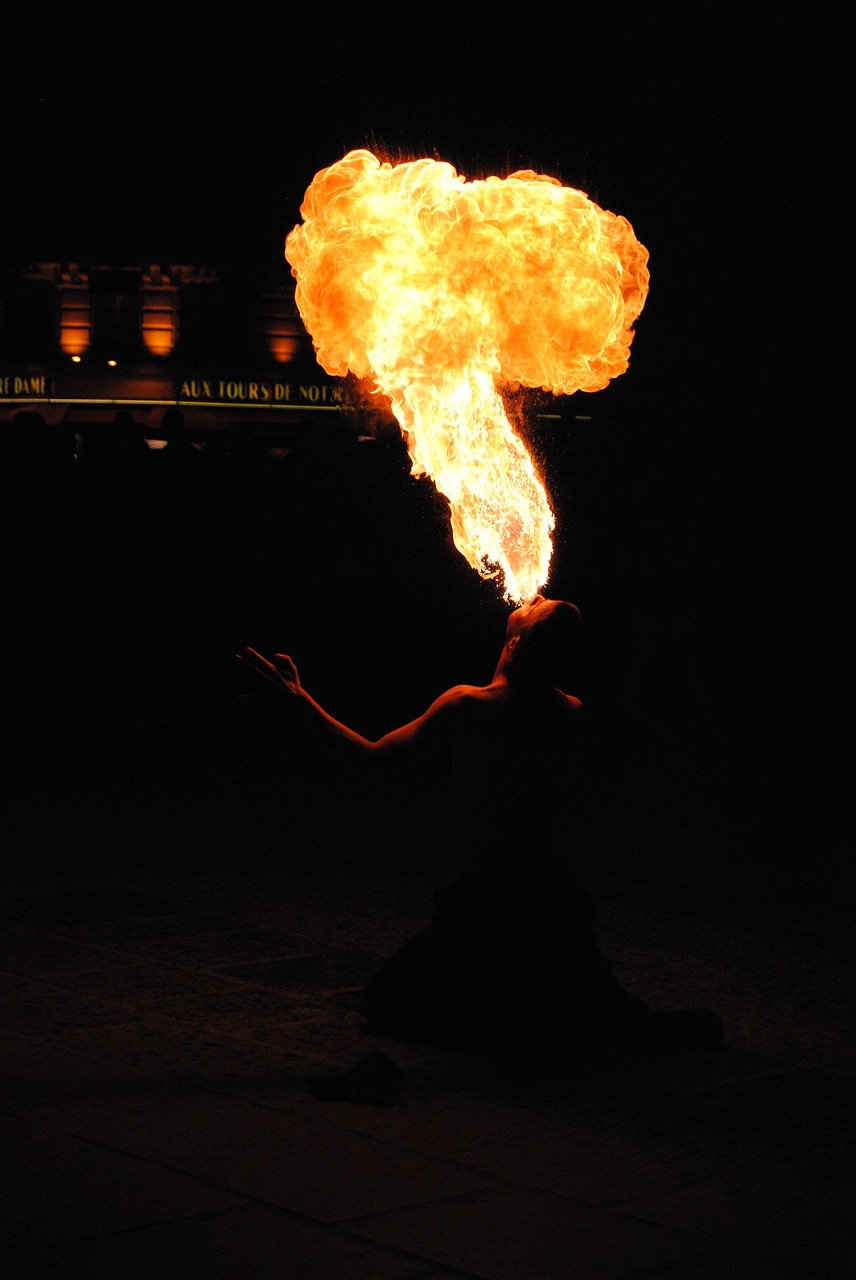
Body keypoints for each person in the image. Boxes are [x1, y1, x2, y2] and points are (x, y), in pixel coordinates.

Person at [239, 596, 723, 1063]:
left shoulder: (469, 705)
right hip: (551, 900)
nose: (532, 597)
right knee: (595, 1013)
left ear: (515, 644)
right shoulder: (571, 710)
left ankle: (516, 1027)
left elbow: (371, 760)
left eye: (537, 610)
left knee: (389, 1005)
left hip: (490, 899)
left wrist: (299, 701)